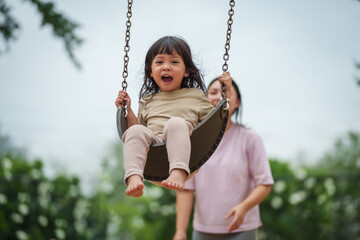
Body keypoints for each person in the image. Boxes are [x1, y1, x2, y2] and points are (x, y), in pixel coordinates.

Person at [115, 36, 232, 198]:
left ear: (186, 71)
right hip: (154, 156)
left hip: (187, 155)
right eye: (159, 62)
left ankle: (178, 172)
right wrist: (127, 109)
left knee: (175, 124)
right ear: (150, 71)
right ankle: (134, 177)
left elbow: (213, 125)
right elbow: (140, 131)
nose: (166, 67)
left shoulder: (196, 96)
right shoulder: (147, 100)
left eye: (174, 62)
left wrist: (226, 97)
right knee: (135, 131)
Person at [173, 79, 274, 240]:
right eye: (213, 92)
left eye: (225, 92)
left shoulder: (250, 138)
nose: (218, 96)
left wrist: (243, 207)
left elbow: (265, 183)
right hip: (203, 230)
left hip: (242, 229)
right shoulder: (193, 141)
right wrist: (180, 231)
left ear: (237, 103)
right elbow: (186, 189)